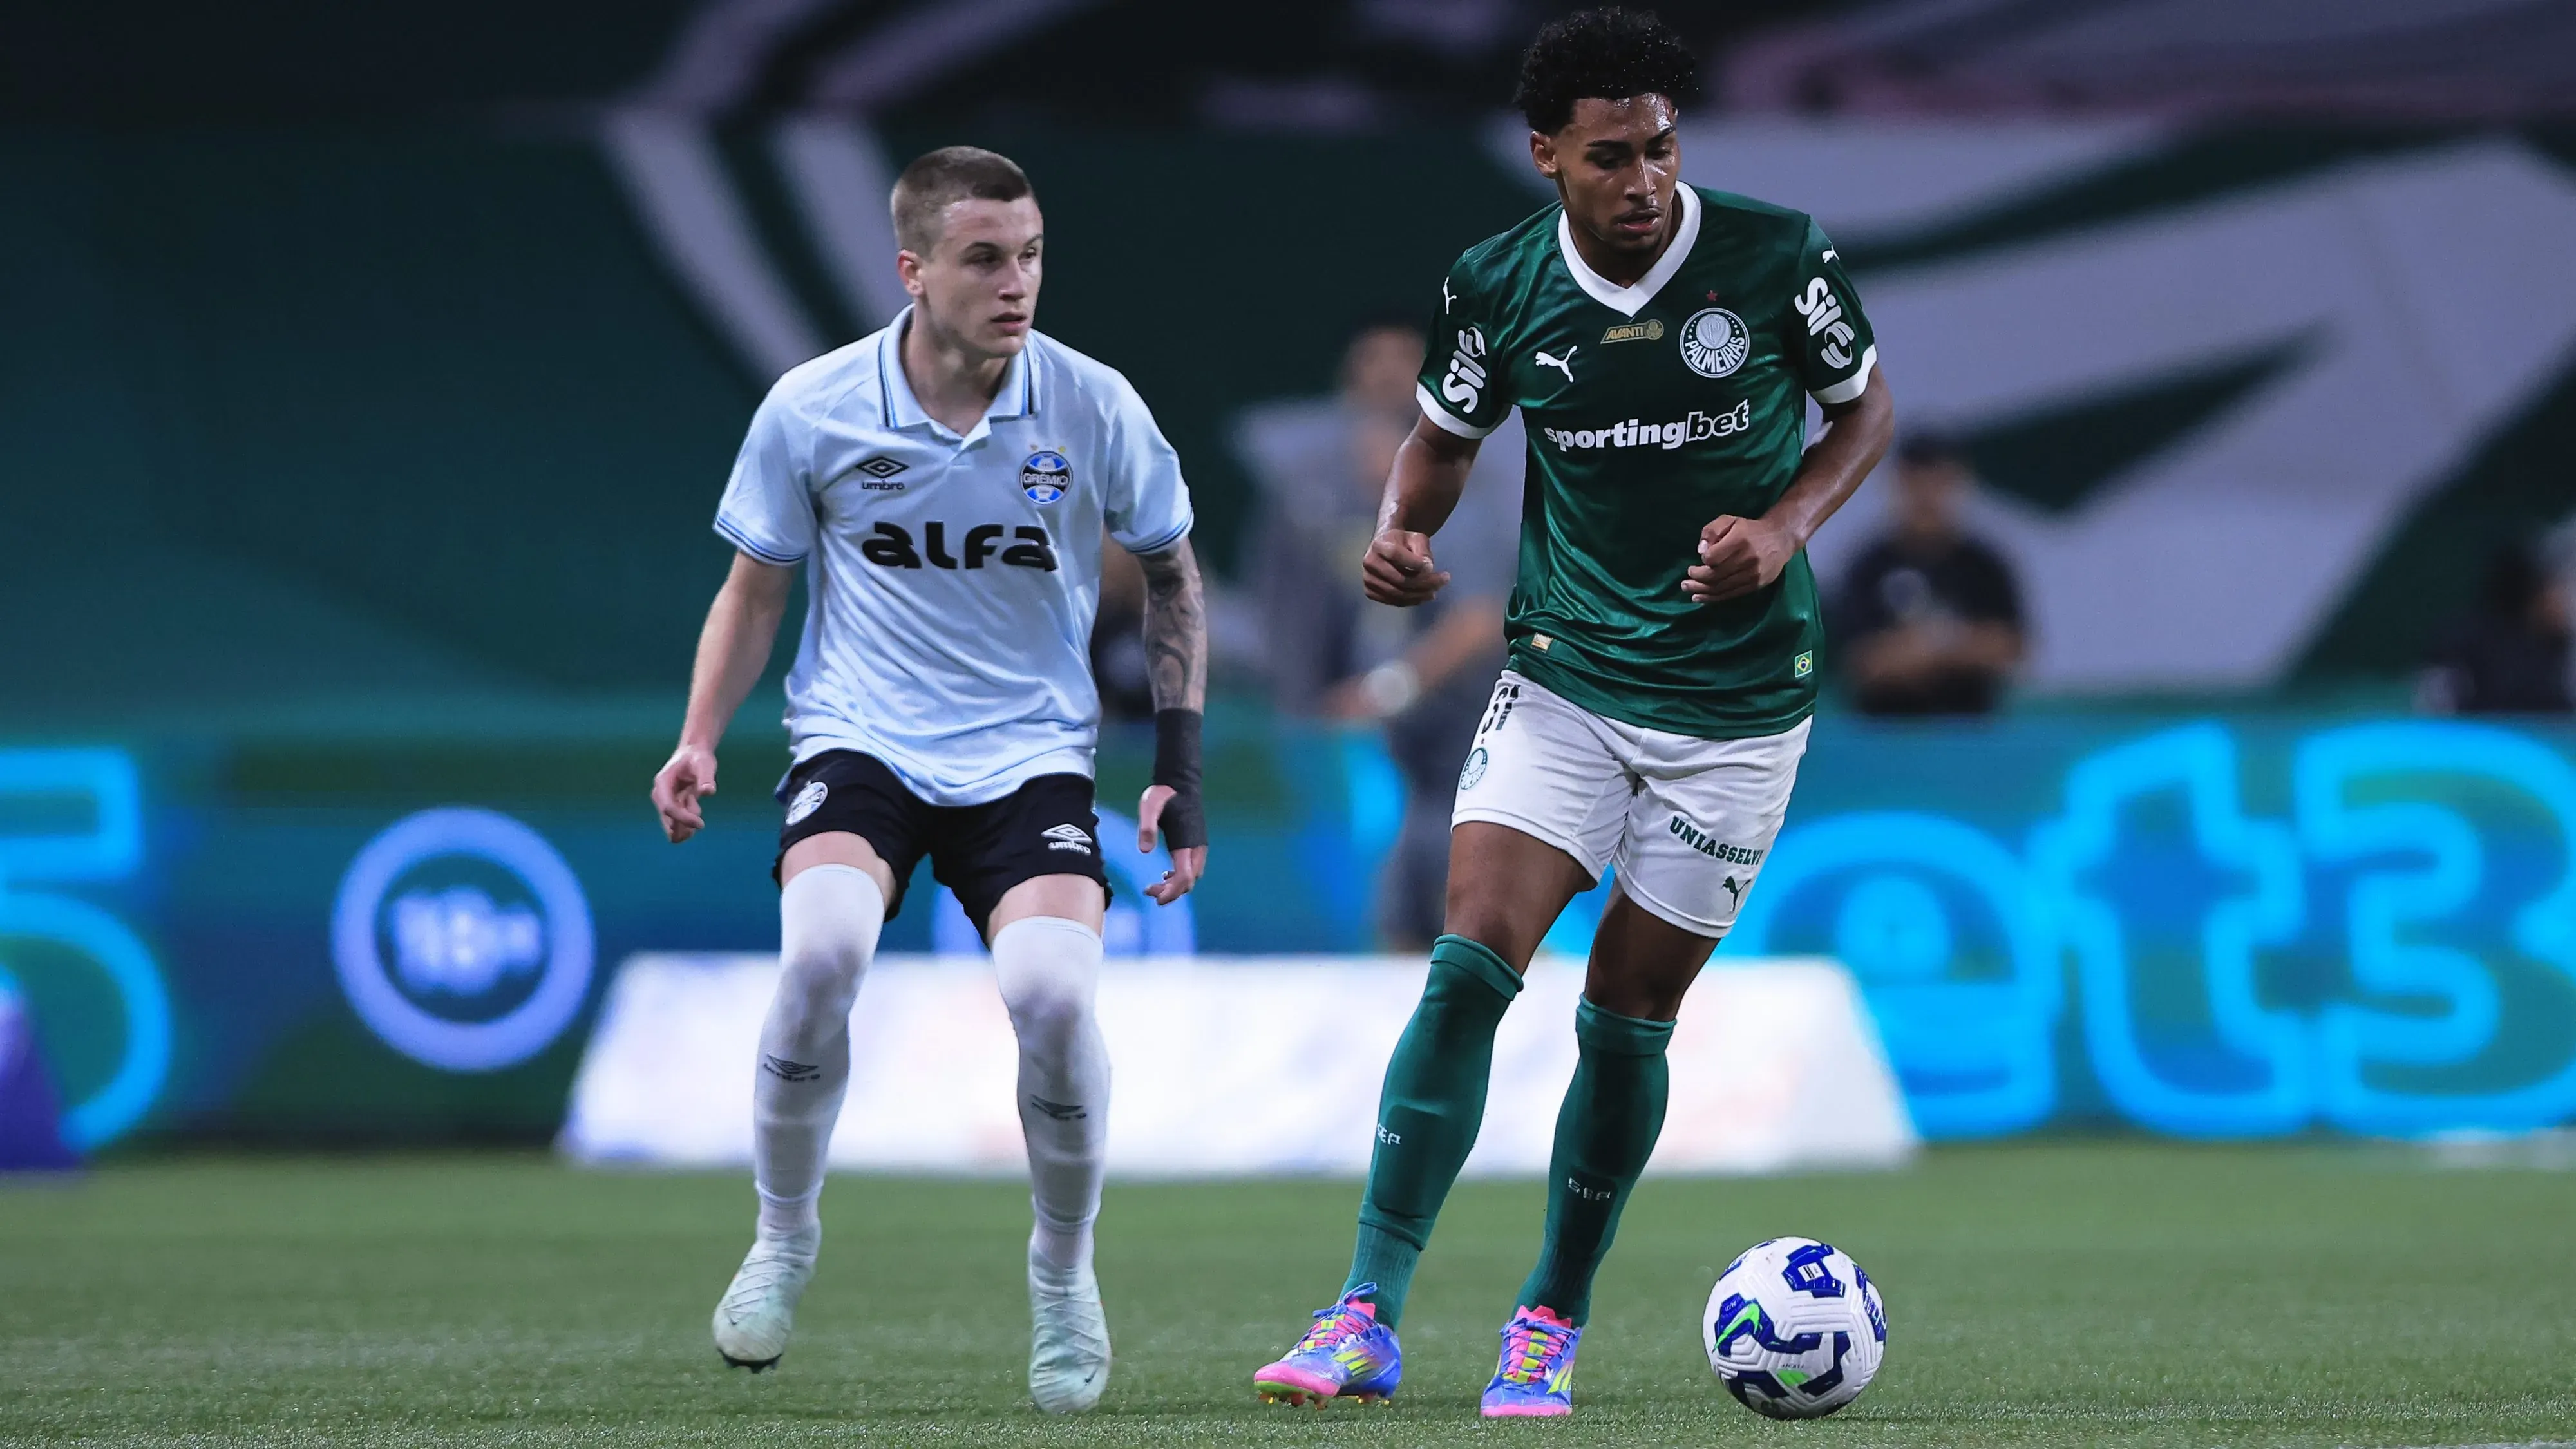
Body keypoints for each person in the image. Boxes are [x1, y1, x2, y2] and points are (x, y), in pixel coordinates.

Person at [1249, 7, 1893, 1419]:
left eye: (1660, 148)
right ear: (1546, 156)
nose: (1644, 180)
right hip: (1567, 682)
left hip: (1736, 712)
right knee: (1469, 956)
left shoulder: (1775, 257)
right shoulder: (1496, 285)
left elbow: (1861, 414)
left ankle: (1546, 1319)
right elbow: (1440, 436)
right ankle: (1362, 1311)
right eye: (1610, 157)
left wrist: (1783, 529)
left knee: (1623, 1021)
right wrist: (1403, 536)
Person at [649, 146, 1209, 1414]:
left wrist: (1177, 763)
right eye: (983, 259)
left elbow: (1172, 574)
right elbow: (754, 588)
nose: (1016, 284)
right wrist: (698, 737)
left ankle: (1061, 1276)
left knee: (1052, 1000)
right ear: (909, 269)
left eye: (1030, 255)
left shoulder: (1091, 404)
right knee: (818, 959)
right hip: (862, 740)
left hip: (1028, 757)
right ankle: (782, 1237)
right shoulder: (813, 406)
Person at [1237, 317, 1520, 948]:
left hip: (1462, 737)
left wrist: (1384, 691)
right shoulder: (1315, 507)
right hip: (1376, 746)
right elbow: (1286, 616)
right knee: (1388, 906)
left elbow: (1480, 621)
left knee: (1470, 902)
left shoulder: (1464, 501)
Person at [1834, 432, 2025, 715]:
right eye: (1915, 482)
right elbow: (1857, 661)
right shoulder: (1868, 567)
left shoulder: (1984, 565)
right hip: (1885, 732)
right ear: (1897, 484)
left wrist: (1936, 645)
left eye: (1938, 482)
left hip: (1971, 731)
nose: (1927, 495)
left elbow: (2011, 648)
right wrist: (1955, 649)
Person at [2418, 541, 2573, 714]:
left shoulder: (2553, 645)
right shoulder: (2467, 643)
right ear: (2532, 594)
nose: (2562, 598)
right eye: (2552, 587)